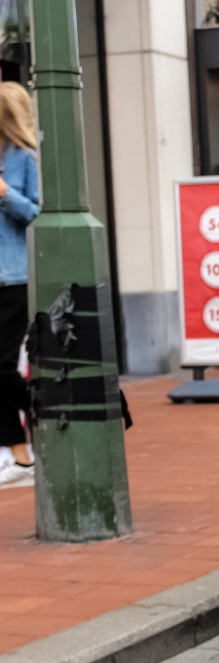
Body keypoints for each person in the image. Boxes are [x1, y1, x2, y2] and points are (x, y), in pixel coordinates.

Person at [0, 82, 39, 490]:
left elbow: (38, 215)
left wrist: (7, 194)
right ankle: (20, 458)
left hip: (12, 277)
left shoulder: (24, 159)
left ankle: (47, 417)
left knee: (1, 367)